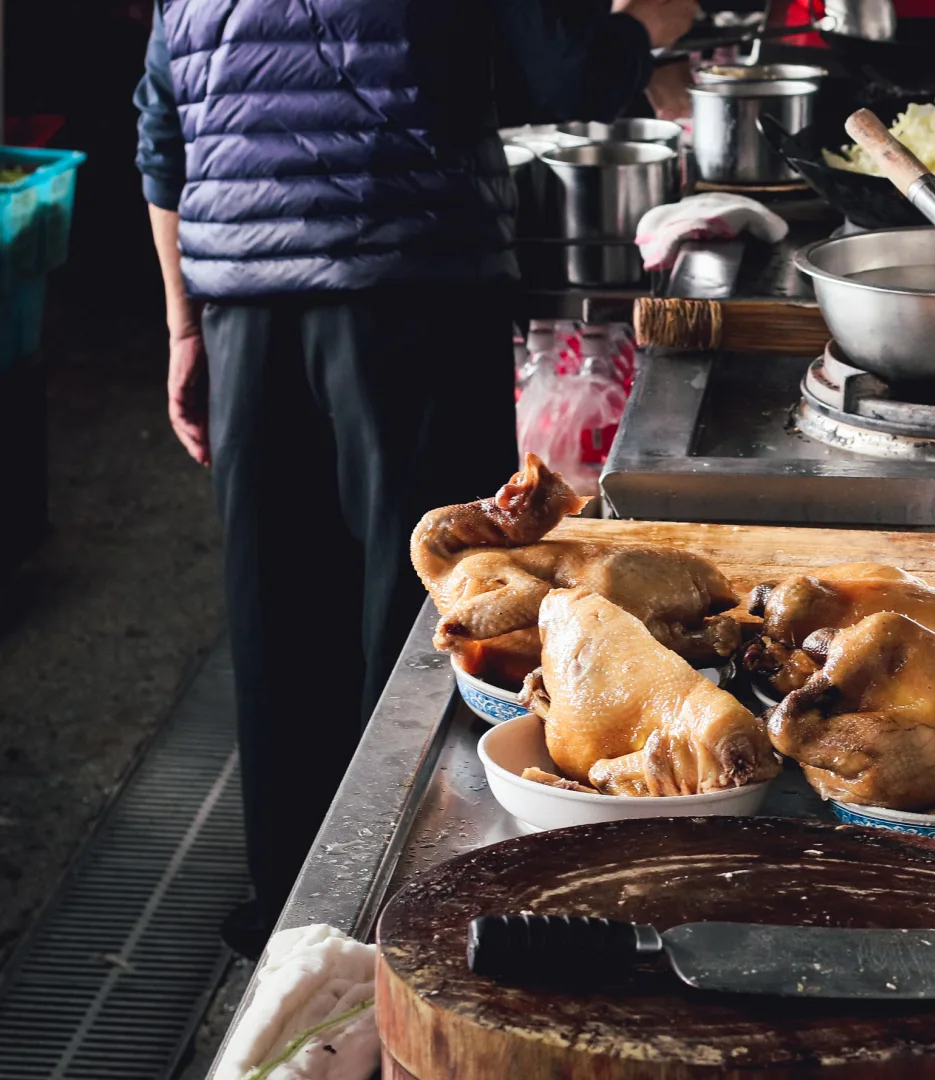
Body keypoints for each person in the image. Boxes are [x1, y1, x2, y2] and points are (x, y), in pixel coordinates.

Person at [134, 0, 698, 957]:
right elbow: (570, 72)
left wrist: (184, 325)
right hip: (409, 288)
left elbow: (160, 129)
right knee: (432, 615)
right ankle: (409, 923)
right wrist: (656, 19)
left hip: (242, 305)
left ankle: (292, 923)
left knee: (281, 614)